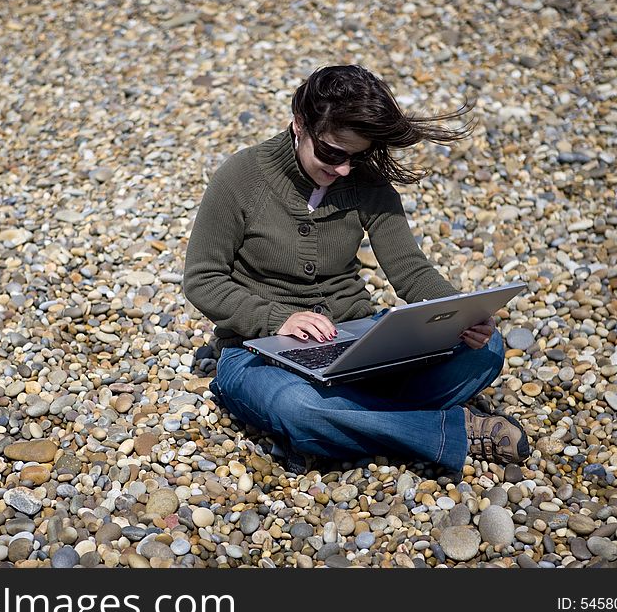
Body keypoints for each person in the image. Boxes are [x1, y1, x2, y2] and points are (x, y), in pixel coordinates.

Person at [183, 65, 529, 473]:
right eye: (331, 153)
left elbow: (411, 271)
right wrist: (279, 319)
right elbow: (202, 278)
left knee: (486, 349)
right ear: (299, 123)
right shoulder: (241, 178)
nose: (344, 169)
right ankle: (447, 429)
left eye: (356, 155)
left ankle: (358, 417)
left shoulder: (365, 180)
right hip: (258, 353)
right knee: (299, 408)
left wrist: (461, 314)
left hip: (358, 343)